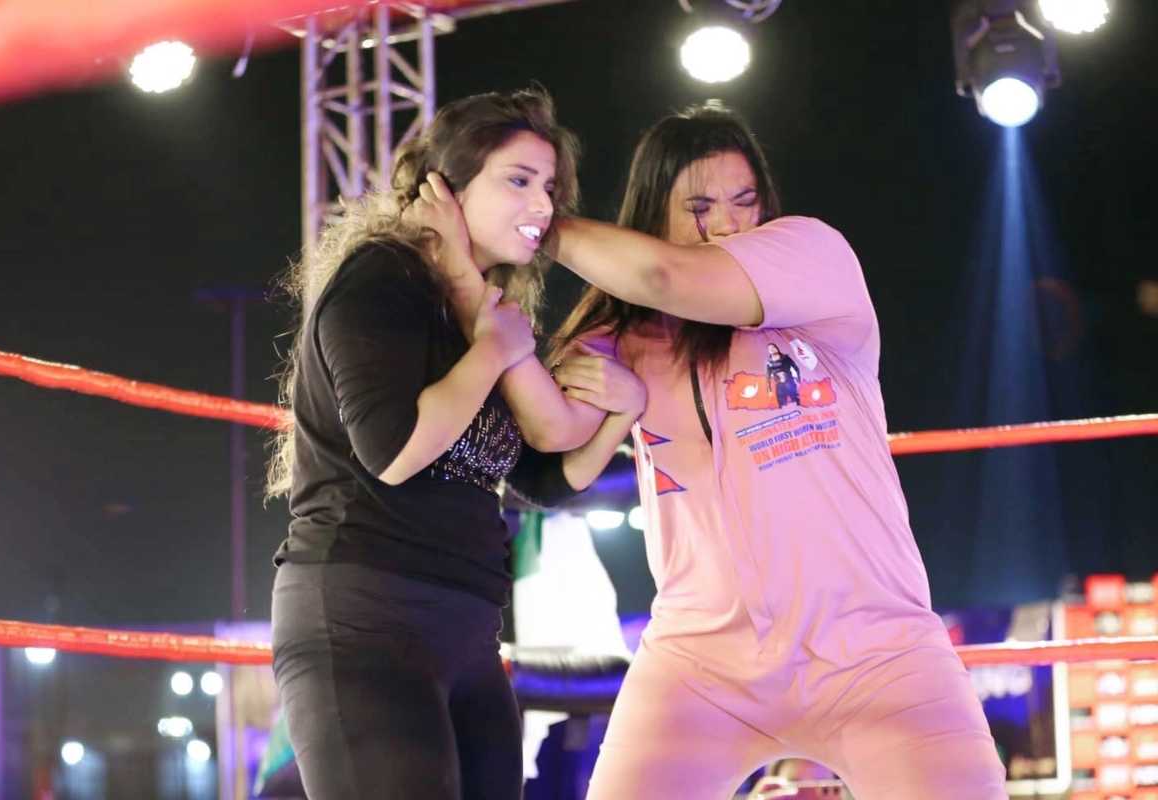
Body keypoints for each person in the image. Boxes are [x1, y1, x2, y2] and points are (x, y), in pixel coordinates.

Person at [541, 105, 1007, 798]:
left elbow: (667, 277)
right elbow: (551, 440)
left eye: (744, 200)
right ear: (650, 216)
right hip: (700, 665)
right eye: (699, 207)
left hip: (875, 652)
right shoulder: (622, 336)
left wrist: (533, 221)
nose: (728, 223)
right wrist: (495, 319)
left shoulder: (813, 258)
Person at [264, 88, 645, 800]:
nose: (542, 205)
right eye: (519, 180)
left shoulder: (480, 309)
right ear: (447, 185)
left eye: (550, 187)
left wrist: (625, 413)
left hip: (468, 626)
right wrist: (491, 349)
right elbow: (395, 451)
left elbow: (542, 478)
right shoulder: (382, 278)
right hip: (364, 614)